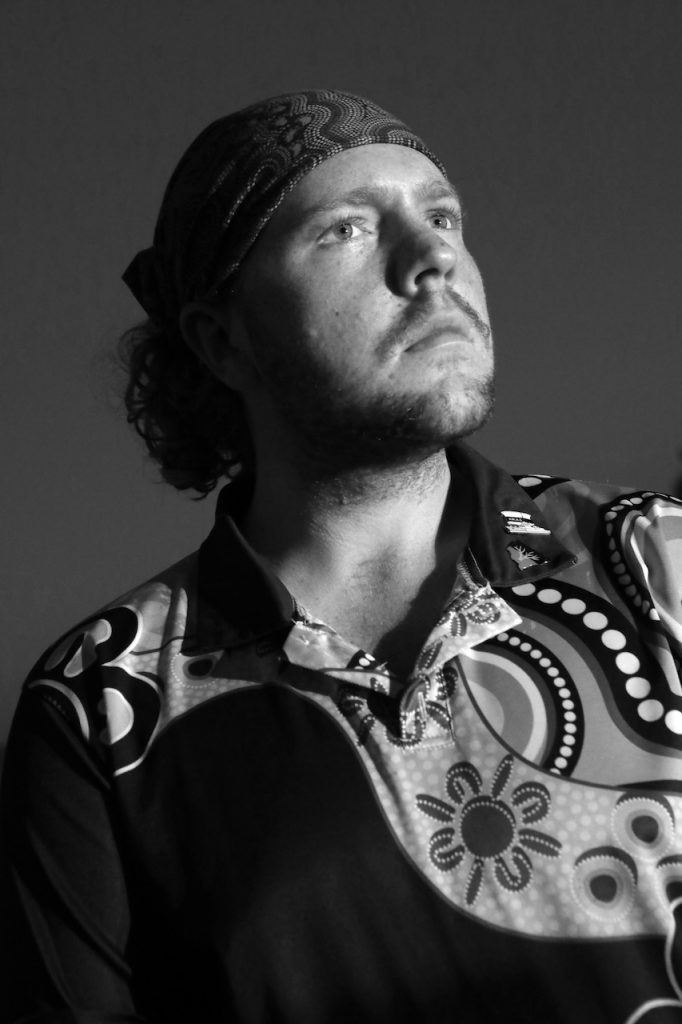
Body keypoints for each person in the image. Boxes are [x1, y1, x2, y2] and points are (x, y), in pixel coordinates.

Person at [2, 88, 682, 1024]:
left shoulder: (657, 560)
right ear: (222, 339)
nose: (433, 258)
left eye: (442, 216)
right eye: (348, 230)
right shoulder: (97, 710)